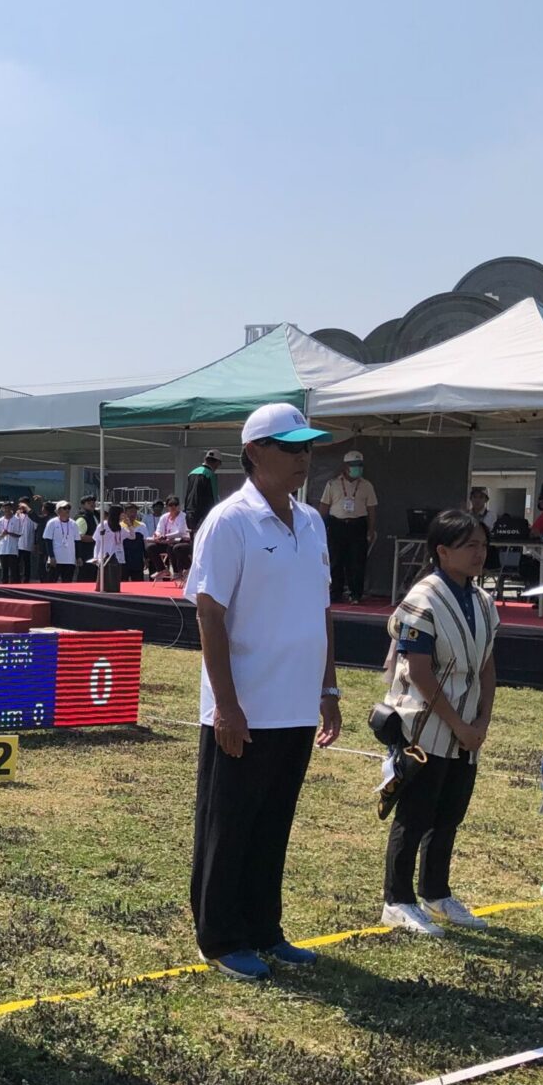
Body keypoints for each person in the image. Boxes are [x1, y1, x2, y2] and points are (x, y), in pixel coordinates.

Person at [183, 402, 342, 982]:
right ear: (254, 453)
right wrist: (225, 704)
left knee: (273, 822)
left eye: (308, 447)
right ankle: (221, 937)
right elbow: (210, 615)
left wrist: (327, 686)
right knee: (229, 823)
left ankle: (264, 928)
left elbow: (321, 608)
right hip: (245, 706)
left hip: (296, 704)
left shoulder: (313, 521)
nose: (304, 457)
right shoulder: (229, 522)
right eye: (291, 446)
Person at [379, 509, 500, 936]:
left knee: (450, 811)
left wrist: (482, 719)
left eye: (483, 545)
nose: (479, 554)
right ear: (442, 551)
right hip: (426, 721)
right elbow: (420, 671)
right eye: (470, 546)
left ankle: (436, 891)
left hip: (467, 724)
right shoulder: (423, 600)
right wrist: (458, 724)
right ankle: (397, 899)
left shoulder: (483, 601)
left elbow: (486, 665)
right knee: (416, 812)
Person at [318, 449, 378, 604]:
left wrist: (371, 530)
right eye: (354, 465)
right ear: (345, 466)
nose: (357, 468)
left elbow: (371, 508)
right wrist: (319, 526)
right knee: (336, 560)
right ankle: (335, 592)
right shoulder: (333, 484)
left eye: (359, 465)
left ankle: (355, 594)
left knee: (357, 561)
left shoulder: (367, 485)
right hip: (337, 524)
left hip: (357, 524)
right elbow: (324, 506)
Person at [184, 450, 222, 534]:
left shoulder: (191, 473)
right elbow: (213, 498)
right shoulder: (210, 475)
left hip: (190, 515)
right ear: (217, 463)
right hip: (203, 517)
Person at [152, 495, 189, 577]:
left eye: (175, 505)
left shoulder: (183, 516)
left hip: (180, 541)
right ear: (167, 506)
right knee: (150, 547)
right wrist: (158, 535)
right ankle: (161, 569)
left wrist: (165, 536)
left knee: (173, 547)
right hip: (166, 542)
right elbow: (159, 530)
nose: (173, 507)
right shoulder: (164, 517)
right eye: (170, 505)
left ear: (178, 506)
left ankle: (178, 571)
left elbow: (180, 532)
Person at [43, 500, 80, 582]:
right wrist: (51, 556)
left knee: (67, 583)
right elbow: (48, 541)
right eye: (64, 508)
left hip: (69, 560)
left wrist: (78, 557)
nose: (67, 510)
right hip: (56, 560)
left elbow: (77, 542)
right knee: (51, 582)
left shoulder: (74, 524)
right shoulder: (52, 522)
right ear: (58, 510)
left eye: (68, 508)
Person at [95, 503, 124, 592]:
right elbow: (97, 541)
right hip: (104, 555)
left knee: (115, 577)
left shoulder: (120, 527)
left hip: (116, 555)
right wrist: (96, 556)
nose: (123, 515)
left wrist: (129, 525)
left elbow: (132, 536)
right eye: (121, 513)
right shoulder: (103, 525)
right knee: (104, 577)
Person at [0, 499, 20, 583]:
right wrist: (3, 534)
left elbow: (19, 534)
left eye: (8, 508)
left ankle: (14, 585)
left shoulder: (16, 520)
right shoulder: (0, 520)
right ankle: (4, 584)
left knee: (13, 569)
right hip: (2, 548)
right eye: (5, 508)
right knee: (4, 569)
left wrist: (9, 533)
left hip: (12, 548)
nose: (6, 510)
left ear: (11, 508)